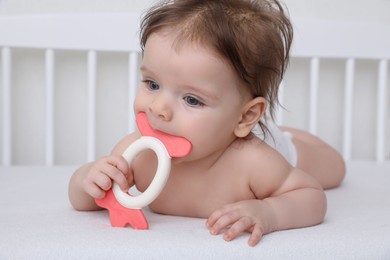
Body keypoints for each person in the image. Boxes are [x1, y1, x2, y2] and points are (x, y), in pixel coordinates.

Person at [68, 0, 345, 247]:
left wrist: (270, 212)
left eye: (191, 100)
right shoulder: (136, 154)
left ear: (245, 117)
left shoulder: (253, 162)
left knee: (335, 169)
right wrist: (88, 180)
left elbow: (312, 196)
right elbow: (81, 200)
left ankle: (288, 136)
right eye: (152, 84)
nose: (159, 109)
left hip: (277, 146)